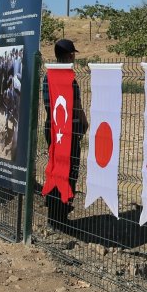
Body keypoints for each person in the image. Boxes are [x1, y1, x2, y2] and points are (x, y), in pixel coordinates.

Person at [43, 39, 88, 230]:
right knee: (69, 172)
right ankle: (60, 217)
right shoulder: (69, 78)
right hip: (68, 132)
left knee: (55, 167)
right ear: (70, 55)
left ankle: (54, 212)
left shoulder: (48, 76)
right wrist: (84, 123)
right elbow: (75, 106)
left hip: (52, 128)